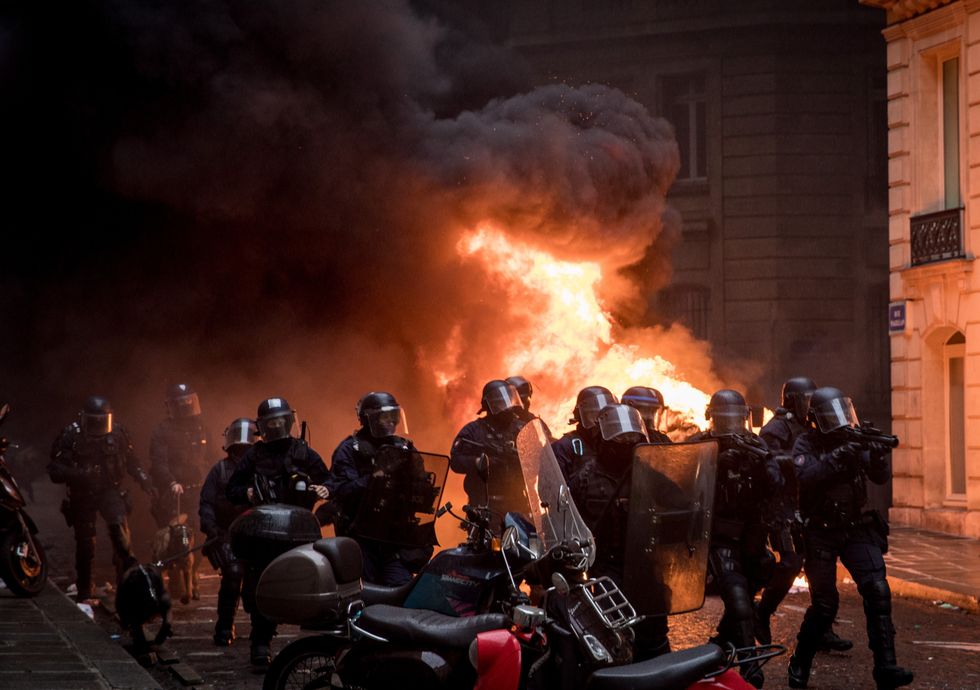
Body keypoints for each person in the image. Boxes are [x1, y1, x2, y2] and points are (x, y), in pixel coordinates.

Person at [787, 387, 912, 690]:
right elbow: (806, 476)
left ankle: (886, 667)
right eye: (831, 416)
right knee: (825, 604)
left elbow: (879, 477)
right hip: (820, 532)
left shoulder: (853, 440)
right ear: (816, 419)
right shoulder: (806, 442)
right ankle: (800, 662)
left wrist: (877, 457)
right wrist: (837, 456)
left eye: (842, 413)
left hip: (855, 528)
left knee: (877, 590)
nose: (839, 421)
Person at [689, 389, 783, 688]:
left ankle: (720, 643)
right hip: (719, 536)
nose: (730, 426)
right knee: (738, 600)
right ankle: (750, 668)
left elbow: (776, 484)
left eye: (735, 419)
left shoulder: (755, 444)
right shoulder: (699, 443)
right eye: (724, 419)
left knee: (760, 577)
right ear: (712, 418)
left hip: (752, 538)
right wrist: (715, 464)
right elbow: (681, 483)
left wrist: (759, 463)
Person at [226, 397, 329, 669]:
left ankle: (320, 643)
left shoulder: (303, 452)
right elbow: (232, 489)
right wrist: (247, 493)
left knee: (310, 581)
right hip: (265, 534)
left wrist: (322, 490)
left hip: (299, 533)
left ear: (289, 421)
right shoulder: (254, 455)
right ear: (262, 426)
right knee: (259, 585)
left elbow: (329, 482)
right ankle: (260, 641)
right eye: (270, 423)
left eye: (280, 422)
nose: (276, 427)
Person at [569, 403, 675, 661]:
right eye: (620, 438)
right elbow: (567, 524)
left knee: (655, 632)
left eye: (632, 437)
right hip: (606, 567)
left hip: (645, 563)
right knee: (614, 631)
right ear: (603, 439)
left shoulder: (649, 474)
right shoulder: (584, 478)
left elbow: (680, 504)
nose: (627, 443)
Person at [757, 377, 852, 652]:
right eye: (805, 400)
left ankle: (822, 629)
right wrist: (801, 461)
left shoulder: (813, 425)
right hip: (783, 506)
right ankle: (761, 613)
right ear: (791, 401)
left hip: (809, 504)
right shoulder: (776, 428)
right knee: (791, 563)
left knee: (818, 567)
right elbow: (768, 463)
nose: (810, 405)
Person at [48, 396, 155, 601]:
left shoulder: (118, 433)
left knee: (120, 535)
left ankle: (125, 586)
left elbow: (132, 461)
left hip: (109, 490)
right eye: (94, 422)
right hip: (82, 493)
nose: (98, 427)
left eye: (102, 421)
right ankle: (85, 589)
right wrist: (80, 474)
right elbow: (55, 470)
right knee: (86, 543)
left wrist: (144, 480)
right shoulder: (72, 434)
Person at [326, 392, 435, 586]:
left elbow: (421, 484)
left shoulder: (404, 448)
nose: (391, 422)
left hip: (395, 538)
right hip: (361, 537)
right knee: (365, 590)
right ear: (369, 419)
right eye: (385, 417)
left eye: (394, 416)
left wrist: (424, 492)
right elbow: (341, 491)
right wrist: (374, 478)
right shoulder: (350, 450)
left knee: (400, 589)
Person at [149, 383, 211, 599]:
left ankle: (192, 575)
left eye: (188, 401)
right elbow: (158, 462)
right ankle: (177, 578)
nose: (186, 406)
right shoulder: (162, 430)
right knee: (177, 538)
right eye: (181, 403)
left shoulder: (201, 427)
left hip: (198, 492)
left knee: (201, 535)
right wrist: (171, 482)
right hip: (175, 493)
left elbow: (212, 456)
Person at [199, 417, 255, 647]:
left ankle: (260, 632)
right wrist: (212, 530)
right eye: (238, 448)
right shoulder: (220, 470)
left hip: (255, 535)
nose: (242, 452)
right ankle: (224, 627)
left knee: (255, 582)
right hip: (225, 534)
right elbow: (207, 503)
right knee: (232, 575)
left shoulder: (261, 469)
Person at [450, 380, 529, 516]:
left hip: (518, 503)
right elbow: (456, 461)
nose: (507, 408)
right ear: (488, 406)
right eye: (500, 403)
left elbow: (537, 457)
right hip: (485, 504)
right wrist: (479, 462)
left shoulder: (521, 428)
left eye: (508, 401)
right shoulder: (474, 430)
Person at [551, 386, 618, 480]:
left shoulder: (617, 444)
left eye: (605, 416)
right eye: (594, 415)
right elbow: (555, 485)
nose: (599, 421)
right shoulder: (565, 447)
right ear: (581, 416)